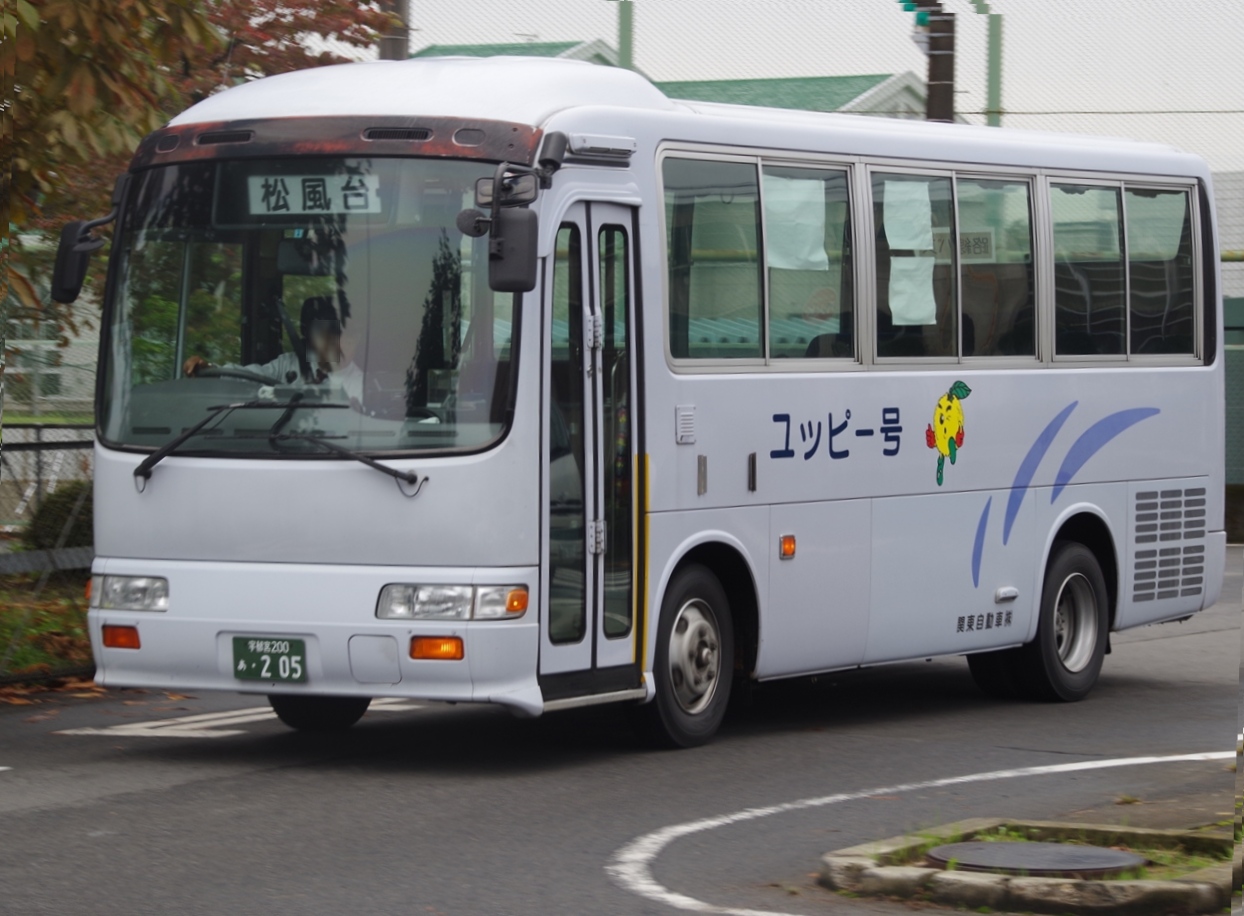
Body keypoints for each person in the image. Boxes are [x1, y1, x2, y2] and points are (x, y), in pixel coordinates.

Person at [183, 296, 364, 404]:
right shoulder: (288, 363)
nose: (345, 343)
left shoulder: (362, 385)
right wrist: (211, 370)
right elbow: (249, 376)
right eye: (338, 334)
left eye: (352, 337)